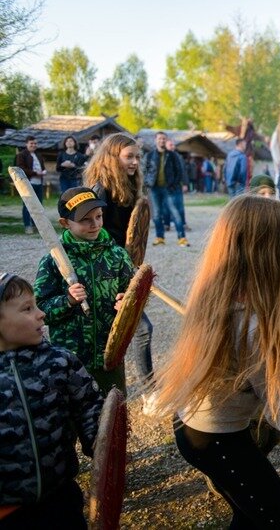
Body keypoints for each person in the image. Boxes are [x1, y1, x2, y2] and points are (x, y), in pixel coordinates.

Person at [152, 195, 280, 528]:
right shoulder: (252, 325)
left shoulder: (215, 291)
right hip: (216, 439)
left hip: (190, 426)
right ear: (265, 251)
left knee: (250, 515)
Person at [0, 273, 104, 529]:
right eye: (27, 309)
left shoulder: (59, 361)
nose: (41, 314)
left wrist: (101, 445)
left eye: (36, 305)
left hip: (60, 496)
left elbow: (90, 407)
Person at [33, 187, 135, 395]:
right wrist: (67, 300)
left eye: (98, 216)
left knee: (114, 411)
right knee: (77, 415)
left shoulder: (117, 255)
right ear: (65, 223)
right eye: (85, 220)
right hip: (72, 359)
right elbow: (40, 309)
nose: (95, 224)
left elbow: (134, 292)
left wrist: (127, 301)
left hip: (110, 355)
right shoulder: (53, 261)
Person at [82, 133, 155, 409]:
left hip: (123, 270)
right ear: (112, 158)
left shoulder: (129, 187)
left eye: (137, 157)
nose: (135, 162)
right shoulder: (100, 191)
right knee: (136, 330)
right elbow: (92, 236)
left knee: (136, 331)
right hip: (104, 276)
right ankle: (145, 393)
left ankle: (141, 391)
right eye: (129, 157)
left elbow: (132, 234)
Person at [143, 131, 189, 246]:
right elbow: (144, 171)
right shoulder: (149, 156)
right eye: (159, 139)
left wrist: (174, 185)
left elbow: (179, 171)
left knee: (175, 212)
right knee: (157, 214)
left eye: (164, 139)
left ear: (166, 140)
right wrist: (147, 184)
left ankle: (182, 237)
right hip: (154, 189)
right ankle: (160, 237)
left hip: (169, 188)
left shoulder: (173, 155)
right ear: (155, 140)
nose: (161, 141)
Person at [14, 135, 46, 235]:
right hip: (28, 183)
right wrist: (36, 173)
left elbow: (42, 167)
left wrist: (43, 172)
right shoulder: (21, 155)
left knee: (38, 205)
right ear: (26, 144)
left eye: (35, 143)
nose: (33, 145)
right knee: (28, 205)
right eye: (31, 143)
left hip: (39, 183)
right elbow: (20, 169)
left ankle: (36, 226)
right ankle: (28, 226)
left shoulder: (38, 155)